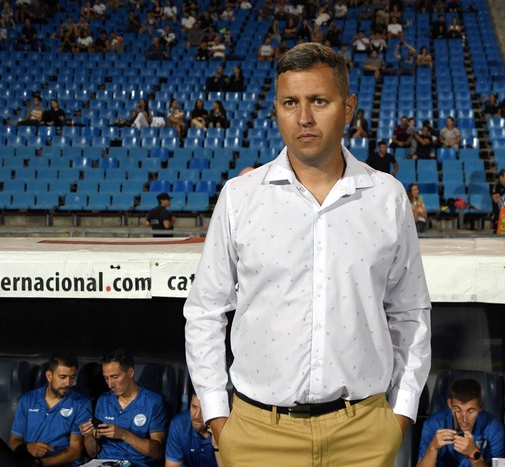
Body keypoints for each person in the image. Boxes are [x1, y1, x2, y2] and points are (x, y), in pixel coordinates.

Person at [184, 42, 431, 467]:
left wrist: (400, 414)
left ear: (348, 107)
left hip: (363, 435)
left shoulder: (387, 197)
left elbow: (411, 312)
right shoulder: (240, 196)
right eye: (290, 103)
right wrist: (218, 415)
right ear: (276, 109)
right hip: (257, 435)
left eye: (319, 101)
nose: (304, 118)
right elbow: (206, 310)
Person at [0, 353, 91, 467]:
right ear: (49, 376)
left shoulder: (81, 404)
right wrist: (28, 448)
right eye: (63, 377)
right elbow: (14, 442)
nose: (68, 383)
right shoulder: (27, 400)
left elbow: (75, 451)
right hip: (26, 460)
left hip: (56, 463)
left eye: (72, 377)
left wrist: (39, 463)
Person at [80, 349, 168, 465]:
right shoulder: (103, 400)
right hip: (105, 463)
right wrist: (89, 436)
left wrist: (123, 434)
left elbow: (158, 452)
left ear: (130, 372)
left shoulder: (153, 402)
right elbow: (92, 453)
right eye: (106, 378)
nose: (110, 384)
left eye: (115, 377)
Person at [416, 378, 504, 467]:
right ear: (449, 404)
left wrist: (473, 454)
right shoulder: (433, 424)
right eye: (458, 410)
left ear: (480, 406)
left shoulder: (494, 428)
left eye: (470, 410)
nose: (464, 419)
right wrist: (433, 448)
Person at [164, 392, 222, 467]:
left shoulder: (226, 429)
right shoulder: (179, 424)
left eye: (204, 409)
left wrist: (217, 446)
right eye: (194, 407)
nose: (197, 415)